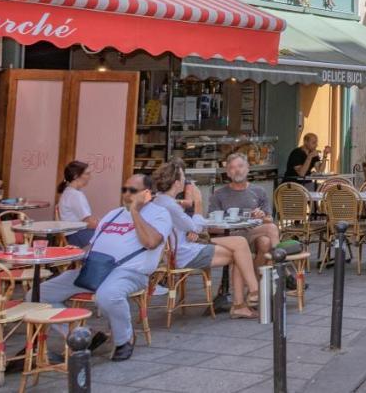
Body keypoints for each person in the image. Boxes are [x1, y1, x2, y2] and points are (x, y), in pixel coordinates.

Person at [38, 173, 170, 362]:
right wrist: (73, 253)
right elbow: (92, 245)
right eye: (124, 189)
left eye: (132, 190)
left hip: (130, 272)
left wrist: (134, 211)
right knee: (38, 295)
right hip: (95, 269)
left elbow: (151, 242)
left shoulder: (159, 214)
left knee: (107, 295)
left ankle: (125, 339)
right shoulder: (113, 213)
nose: (126, 194)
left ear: (147, 193)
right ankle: (81, 336)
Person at [151, 161, 259, 319]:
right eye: (183, 178)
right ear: (176, 183)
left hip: (178, 248)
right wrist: (199, 204)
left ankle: (246, 298)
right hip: (185, 253)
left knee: (240, 243)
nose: (185, 181)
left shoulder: (159, 200)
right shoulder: (171, 206)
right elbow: (195, 227)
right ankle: (247, 298)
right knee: (241, 253)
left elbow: (190, 227)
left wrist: (193, 224)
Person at [208, 153, 281, 272]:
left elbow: (269, 219)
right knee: (270, 230)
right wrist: (231, 225)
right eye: (232, 167)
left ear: (247, 168)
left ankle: (255, 281)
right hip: (231, 236)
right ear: (227, 172)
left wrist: (261, 216)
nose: (237, 170)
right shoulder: (219, 194)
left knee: (265, 241)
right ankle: (282, 270)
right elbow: (211, 228)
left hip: (253, 233)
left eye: (240, 166)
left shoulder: (259, 191)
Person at [56, 160, 98, 245]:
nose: (90, 177)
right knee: (109, 238)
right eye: (87, 173)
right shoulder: (76, 195)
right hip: (77, 236)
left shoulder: (68, 192)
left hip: (72, 235)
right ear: (75, 176)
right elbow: (89, 224)